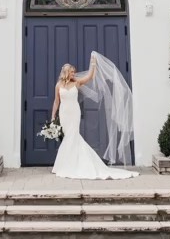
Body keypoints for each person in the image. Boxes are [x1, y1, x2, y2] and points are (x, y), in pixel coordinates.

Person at [51, 51, 139, 179]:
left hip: (74, 112)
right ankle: (64, 165)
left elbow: (90, 77)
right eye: (71, 72)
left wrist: (93, 63)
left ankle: (69, 165)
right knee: (67, 138)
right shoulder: (58, 85)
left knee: (73, 136)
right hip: (64, 113)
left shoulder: (76, 83)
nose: (73, 73)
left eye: (74, 72)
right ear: (66, 72)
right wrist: (53, 116)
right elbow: (56, 102)